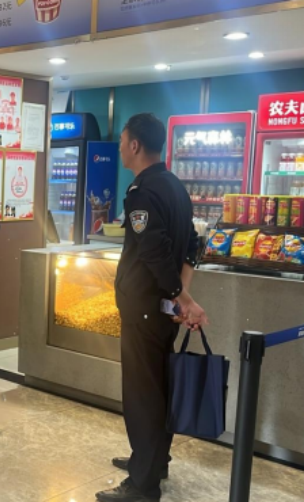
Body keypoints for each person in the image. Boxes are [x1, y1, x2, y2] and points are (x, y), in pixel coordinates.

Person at [96, 114, 208, 502]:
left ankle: (143, 486)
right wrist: (181, 296)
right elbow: (193, 243)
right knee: (160, 386)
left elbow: (153, 251)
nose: (120, 147)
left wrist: (183, 298)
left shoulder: (141, 191)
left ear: (135, 145)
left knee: (143, 393)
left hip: (144, 307)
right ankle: (153, 461)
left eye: (122, 141)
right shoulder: (175, 185)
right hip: (161, 309)